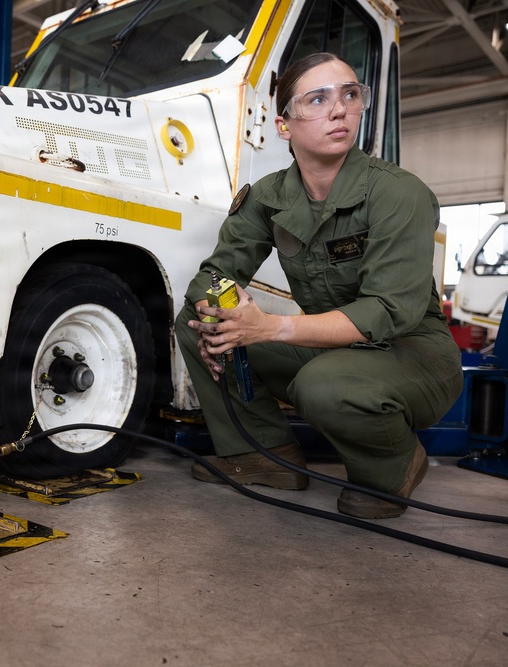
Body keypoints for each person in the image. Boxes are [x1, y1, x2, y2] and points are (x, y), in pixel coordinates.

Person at [174, 52, 463, 519]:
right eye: (318, 99)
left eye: (350, 94)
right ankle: (263, 455)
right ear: (284, 125)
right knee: (195, 325)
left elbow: (389, 312)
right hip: (330, 348)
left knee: (323, 385)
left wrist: (268, 328)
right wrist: (221, 319)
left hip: (411, 354)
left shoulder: (398, 193)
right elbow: (215, 274)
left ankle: (392, 466)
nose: (339, 109)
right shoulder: (268, 196)